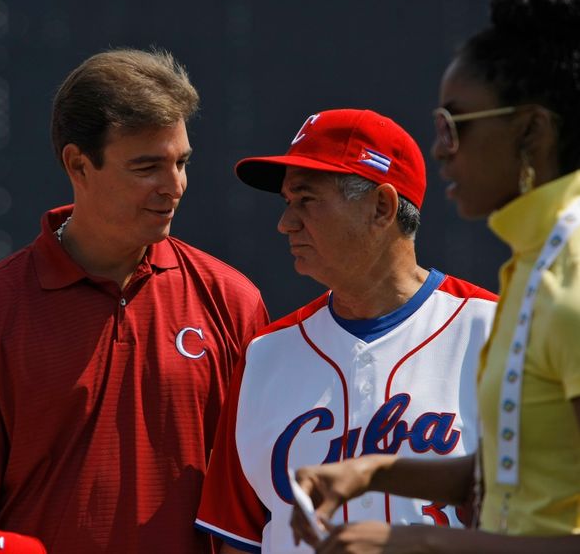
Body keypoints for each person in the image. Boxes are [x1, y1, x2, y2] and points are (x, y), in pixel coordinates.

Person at [0, 47, 269, 553]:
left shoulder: (233, 301)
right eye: (146, 166)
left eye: (181, 162)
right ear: (78, 164)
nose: (173, 185)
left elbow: (248, 506)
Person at [288, 0, 580, 552]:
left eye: (456, 124)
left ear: (532, 132)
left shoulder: (569, 274)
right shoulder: (535, 260)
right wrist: (376, 472)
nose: (440, 148)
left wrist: (419, 543)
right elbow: (526, 475)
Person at [194, 108, 499, 553]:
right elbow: (237, 536)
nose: (286, 223)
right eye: (287, 202)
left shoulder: (494, 331)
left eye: (307, 200)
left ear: (382, 207)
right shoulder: (265, 355)